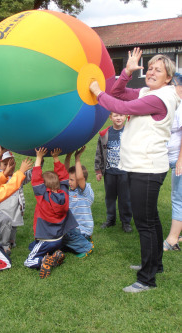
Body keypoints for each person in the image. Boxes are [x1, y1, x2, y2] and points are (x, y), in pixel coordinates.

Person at [90, 48, 180, 293]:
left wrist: (97, 92)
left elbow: (118, 105)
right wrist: (127, 72)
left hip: (147, 168)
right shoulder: (147, 92)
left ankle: (147, 279)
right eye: (149, 67)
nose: (151, 71)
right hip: (142, 166)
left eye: (157, 70)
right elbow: (117, 92)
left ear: (168, 78)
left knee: (145, 223)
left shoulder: (159, 98)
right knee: (150, 219)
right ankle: (155, 265)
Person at [24, 147, 78, 278]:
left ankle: (45, 261)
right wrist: (55, 158)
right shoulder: (65, 193)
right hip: (58, 239)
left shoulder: (43, 197)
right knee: (32, 246)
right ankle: (55, 254)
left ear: (44, 186)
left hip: (46, 239)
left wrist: (39, 157)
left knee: (29, 260)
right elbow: (64, 177)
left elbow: (36, 179)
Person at [0, 145, 33, 254]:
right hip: (2, 210)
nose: (9, 166)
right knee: (4, 227)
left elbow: (30, 174)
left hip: (15, 209)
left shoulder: (17, 176)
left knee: (13, 227)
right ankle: (4, 245)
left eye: (12, 163)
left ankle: (11, 241)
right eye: (5, 164)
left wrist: (39, 160)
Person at [94, 112, 132, 233]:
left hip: (125, 172)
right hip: (109, 172)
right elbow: (99, 153)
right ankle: (111, 219)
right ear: (110, 118)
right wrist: (98, 170)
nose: (118, 118)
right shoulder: (105, 134)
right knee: (110, 198)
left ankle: (126, 222)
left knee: (125, 198)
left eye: (121, 115)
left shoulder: (130, 133)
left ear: (125, 116)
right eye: (115, 115)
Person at [63, 146, 94, 258]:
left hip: (82, 230)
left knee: (63, 236)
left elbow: (80, 178)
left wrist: (77, 158)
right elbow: (65, 173)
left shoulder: (85, 191)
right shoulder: (69, 190)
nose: (69, 182)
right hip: (73, 229)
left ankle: (86, 246)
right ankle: (78, 243)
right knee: (57, 238)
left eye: (72, 180)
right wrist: (68, 155)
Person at [164, 73, 182, 251]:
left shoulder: (181, 106)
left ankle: (172, 240)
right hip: (166, 157)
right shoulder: (170, 103)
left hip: (178, 159)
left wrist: (180, 160)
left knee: (178, 197)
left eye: (171, 85)